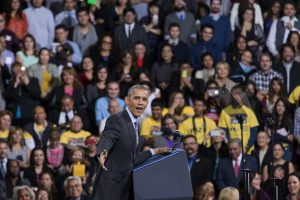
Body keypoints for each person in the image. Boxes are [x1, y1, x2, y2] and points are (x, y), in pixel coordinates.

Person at [92, 85, 172, 199]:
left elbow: (130, 159)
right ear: (127, 100)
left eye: (144, 99)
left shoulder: (136, 124)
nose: (141, 102)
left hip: (124, 190)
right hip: (109, 189)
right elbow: (108, 137)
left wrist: (155, 151)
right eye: (137, 98)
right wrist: (102, 152)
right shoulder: (117, 119)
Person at [5, 62, 41, 126]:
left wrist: (27, 83)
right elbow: (8, 97)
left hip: (29, 115)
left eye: (20, 69)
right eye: (16, 69)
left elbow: (37, 94)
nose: (19, 71)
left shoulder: (33, 80)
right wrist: (16, 83)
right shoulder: (11, 83)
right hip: (14, 116)